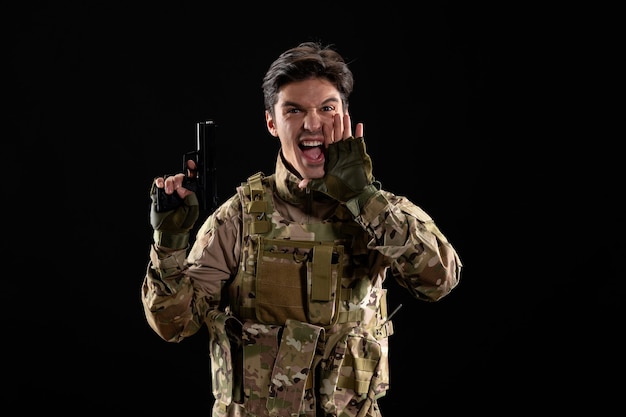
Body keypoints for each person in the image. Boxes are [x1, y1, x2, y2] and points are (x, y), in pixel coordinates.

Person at [142, 41, 462, 417]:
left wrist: (362, 198)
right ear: (272, 123)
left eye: (327, 108)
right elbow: (173, 324)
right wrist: (169, 245)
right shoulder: (238, 218)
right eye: (294, 110)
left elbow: (440, 279)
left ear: (345, 115)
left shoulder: (379, 211)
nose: (313, 124)